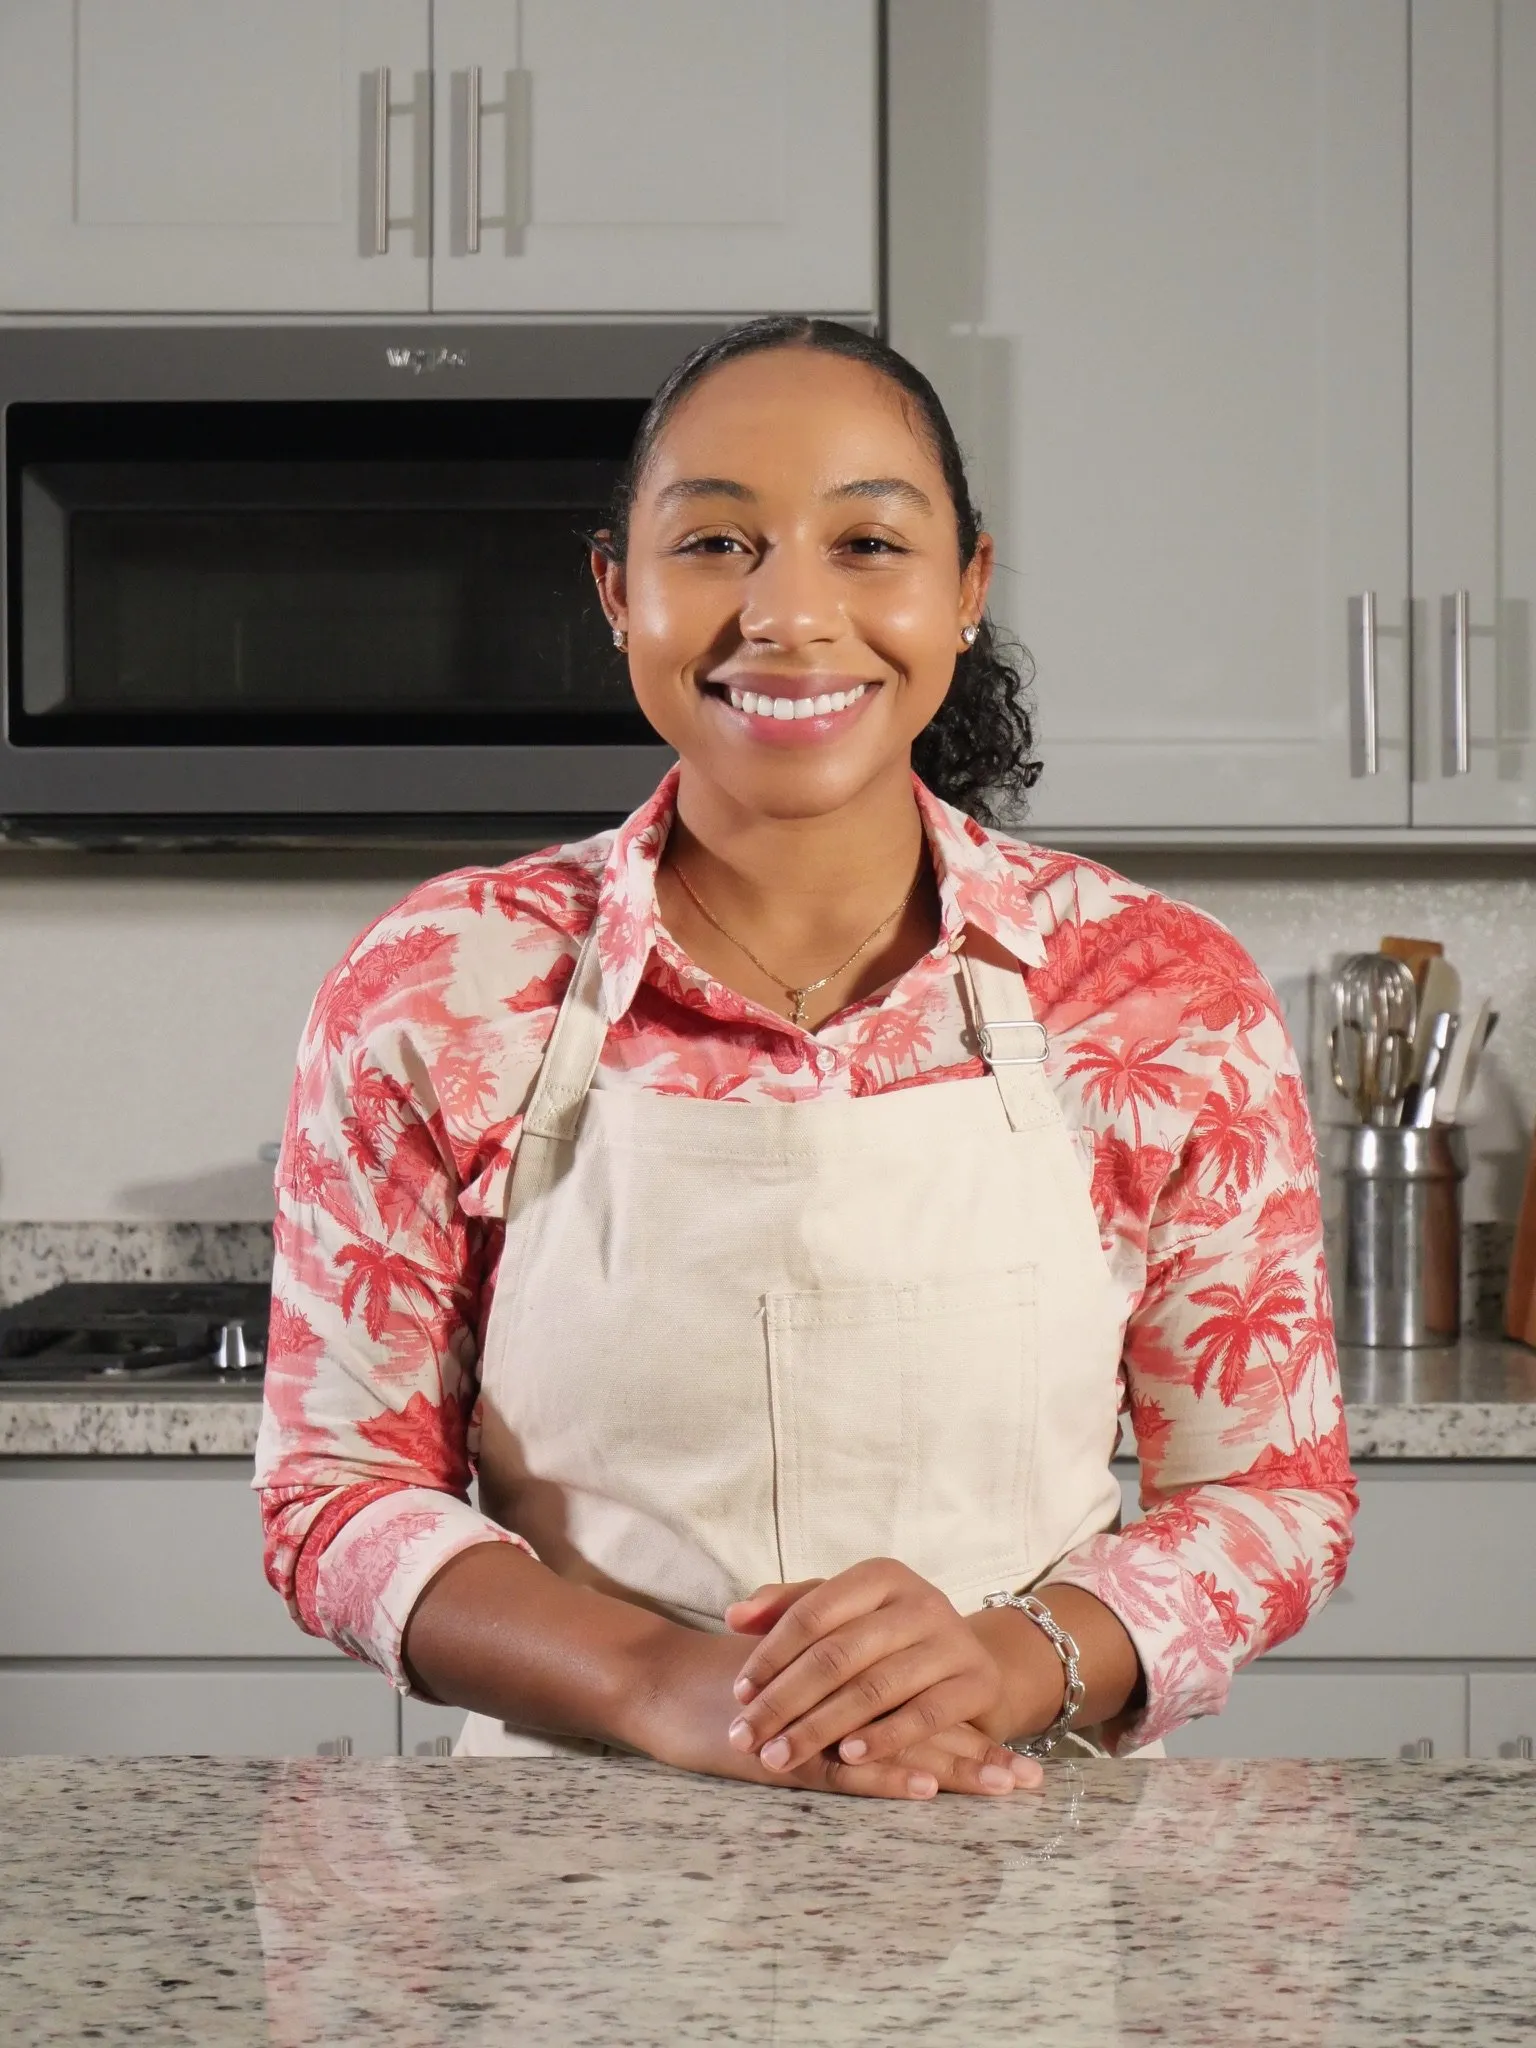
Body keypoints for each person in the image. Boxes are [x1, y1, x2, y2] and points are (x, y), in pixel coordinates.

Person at [256, 317, 1356, 1798]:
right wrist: (661, 1685)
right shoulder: (442, 986)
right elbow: (337, 1499)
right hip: (564, 1879)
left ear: (966, 587)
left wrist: (1009, 1659)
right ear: (615, 591)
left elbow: (1268, 1495)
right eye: (715, 542)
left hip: (1015, 1859)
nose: (787, 614)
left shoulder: (1158, 995)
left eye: (868, 545)